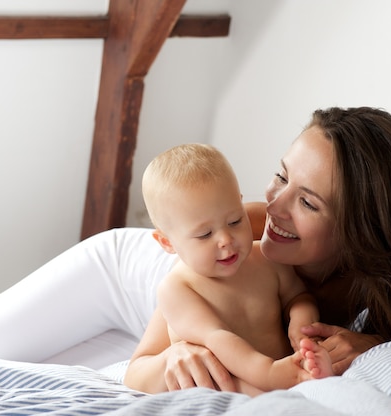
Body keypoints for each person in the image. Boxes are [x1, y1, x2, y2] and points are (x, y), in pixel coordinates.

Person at [0, 106, 391, 394]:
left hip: (174, 316)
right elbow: (146, 361)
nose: (273, 208)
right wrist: (170, 355)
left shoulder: (378, 286)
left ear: (365, 227)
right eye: (279, 177)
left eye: (309, 203)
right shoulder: (246, 234)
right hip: (121, 277)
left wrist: (367, 343)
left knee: (41, 363)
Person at [124, 143, 331, 395]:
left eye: (235, 221)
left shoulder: (265, 259)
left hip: (280, 370)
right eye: (204, 234)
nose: (225, 239)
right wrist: (270, 373)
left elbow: (298, 296)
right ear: (167, 242)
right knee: (229, 382)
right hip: (225, 382)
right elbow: (217, 338)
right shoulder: (178, 288)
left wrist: (302, 322)